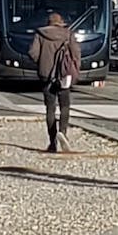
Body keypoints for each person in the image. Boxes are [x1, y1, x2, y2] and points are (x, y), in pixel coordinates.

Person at [28, 11, 82, 154]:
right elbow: (76, 53)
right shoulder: (68, 34)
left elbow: (33, 53)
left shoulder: (40, 34)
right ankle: (62, 132)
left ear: (48, 22)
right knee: (65, 105)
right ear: (61, 22)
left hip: (46, 76)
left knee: (50, 108)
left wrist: (42, 62)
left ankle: (52, 142)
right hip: (64, 76)